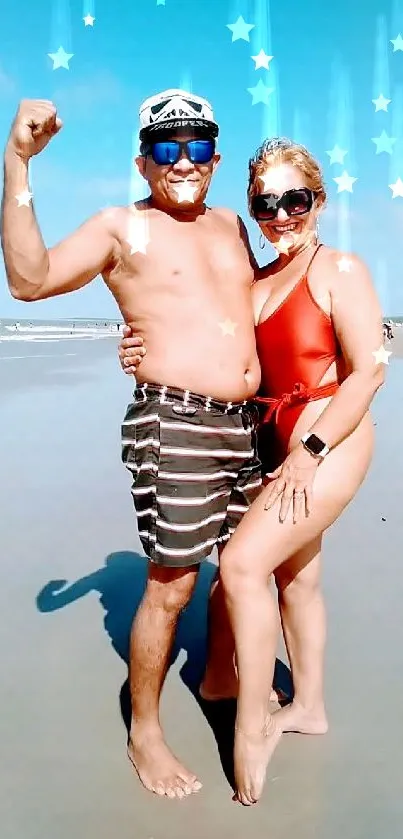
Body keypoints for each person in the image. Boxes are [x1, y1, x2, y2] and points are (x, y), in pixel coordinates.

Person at [1, 89, 263, 800]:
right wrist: (17, 164)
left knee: (244, 567)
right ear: (142, 160)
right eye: (167, 147)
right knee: (173, 583)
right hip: (174, 422)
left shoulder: (234, 225)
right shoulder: (122, 225)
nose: (184, 161)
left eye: (199, 145)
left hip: (247, 424)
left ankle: (216, 678)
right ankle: (143, 729)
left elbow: (248, 307)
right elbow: (29, 280)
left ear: (214, 155)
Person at [118, 138, 385, 805]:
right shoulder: (257, 278)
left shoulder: (339, 269)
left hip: (328, 439)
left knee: (240, 565)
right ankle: (310, 706)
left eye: (294, 199)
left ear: (317, 201)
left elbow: (369, 371)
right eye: (266, 203)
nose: (280, 214)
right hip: (269, 439)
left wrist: (310, 449)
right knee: (297, 575)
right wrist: (136, 344)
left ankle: (250, 728)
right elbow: (200, 331)